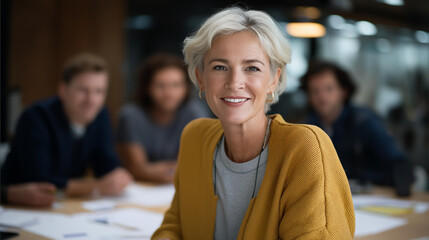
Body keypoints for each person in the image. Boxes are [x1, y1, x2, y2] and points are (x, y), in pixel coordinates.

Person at [152, 7, 354, 240]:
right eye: (220, 67)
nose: (234, 82)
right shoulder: (194, 137)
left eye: (252, 68)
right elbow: (175, 224)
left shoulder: (305, 147)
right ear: (200, 77)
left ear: (273, 79)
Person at [0, 53, 132, 200]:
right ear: (63, 90)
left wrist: (117, 174)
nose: (91, 100)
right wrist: (97, 186)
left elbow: (106, 163)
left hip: (66, 204)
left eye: (99, 91)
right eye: (83, 90)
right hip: (17, 207)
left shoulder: (100, 115)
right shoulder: (36, 117)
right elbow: (40, 179)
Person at [300, 60, 414, 196]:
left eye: (329, 89)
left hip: (373, 197)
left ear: (344, 92)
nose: (322, 96)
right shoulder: (308, 127)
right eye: (315, 91)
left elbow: (400, 163)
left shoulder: (365, 122)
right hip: (330, 199)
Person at [116, 54, 209, 183]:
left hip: (180, 185)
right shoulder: (131, 116)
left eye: (176, 85)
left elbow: (192, 163)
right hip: (139, 187)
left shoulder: (194, 112)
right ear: (147, 87)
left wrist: (154, 169)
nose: (168, 93)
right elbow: (136, 168)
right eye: (160, 85)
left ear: (186, 87)